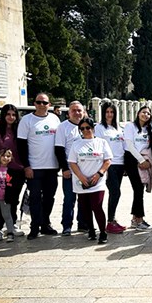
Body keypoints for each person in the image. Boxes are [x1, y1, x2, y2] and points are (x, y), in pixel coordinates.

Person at [17, 93, 61, 240]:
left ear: (49, 104)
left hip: (52, 167)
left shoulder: (55, 119)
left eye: (45, 102)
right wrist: (26, 166)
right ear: (34, 104)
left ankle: (45, 223)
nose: (42, 105)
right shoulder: (26, 120)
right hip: (34, 168)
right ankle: (34, 226)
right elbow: (21, 146)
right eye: (39, 102)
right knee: (35, 198)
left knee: (49, 198)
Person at [68, 117, 113, 244]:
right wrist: (81, 177)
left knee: (97, 206)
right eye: (82, 128)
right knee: (84, 207)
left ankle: (102, 232)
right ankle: (91, 230)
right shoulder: (76, 144)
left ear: (93, 128)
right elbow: (72, 162)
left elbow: (108, 160)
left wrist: (100, 173)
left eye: (88, 127)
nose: (85, 130)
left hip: (97, 180)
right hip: (81, 180)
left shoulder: (101, 142)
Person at [0, 104, 24, 237]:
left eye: (13, 114)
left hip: (17, 170)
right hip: (0, 171)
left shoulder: (20, 129)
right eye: (8, 114)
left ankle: (12, 225)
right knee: (0, 198)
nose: (11, 117)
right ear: (3, 115)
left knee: (13, 199)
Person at [55, 100, 87, 235]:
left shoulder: (87, 126)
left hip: (85, 171)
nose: (77, 113)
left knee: (84, 199)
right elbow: (59, 149)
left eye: (79, 110)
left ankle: (83, 223)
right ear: (68, 113)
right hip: (70, 171)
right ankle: (66, 225)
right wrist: (65, 169)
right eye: (74, 110)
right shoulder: (63, 127)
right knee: (69, 199)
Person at [95, 101, 127, 234]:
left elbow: (123, 146)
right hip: (109, 164)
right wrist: (103, 168)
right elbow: (98, 147)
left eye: (112, 112)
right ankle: (109, 221)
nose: (109, 114)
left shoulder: (118, 128)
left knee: (116, 193)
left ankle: (112, 219)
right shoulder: (99, 128)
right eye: (107, 112)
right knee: (115, 192)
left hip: (120, 164)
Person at [123, 105, 152, 230]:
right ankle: (139, 219)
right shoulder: (130, 126)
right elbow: (129, 145)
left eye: (148, 113)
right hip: (132, 160)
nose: (145, 115)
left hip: (144, 160)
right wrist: (140, 160)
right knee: (138, 188)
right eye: (143, 112)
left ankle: (135, 218)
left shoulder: (148, 129)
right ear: (138, 113)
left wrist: (146, 160)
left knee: (140, 189)